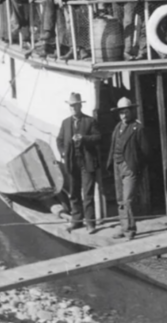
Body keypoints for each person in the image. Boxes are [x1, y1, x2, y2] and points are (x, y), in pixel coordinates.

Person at [56, 92, 102, 233]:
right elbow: (59, 140)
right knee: (74, 193)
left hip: (87, 162)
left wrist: (84, 138)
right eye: (71, 106)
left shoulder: (90, 121)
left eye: (76, 105)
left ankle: (90, 224)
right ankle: (76, 221)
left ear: (80, 105)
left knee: (87, 194)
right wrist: (63, 152)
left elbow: (98, 137)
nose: (73, 108)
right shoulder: (65, 123)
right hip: (72, 163)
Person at [107, 96, 149, 239]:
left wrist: (136, 168)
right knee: (120, 199)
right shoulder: (118, 127)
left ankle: (130, 230)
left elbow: (145, 152)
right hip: (117, 165)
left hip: (130, 167)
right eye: (121, 113)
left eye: (126, 112)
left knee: (128, 199)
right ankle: (124, 227)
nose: (123, 115)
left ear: (131, 111)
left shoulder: (138, 127)